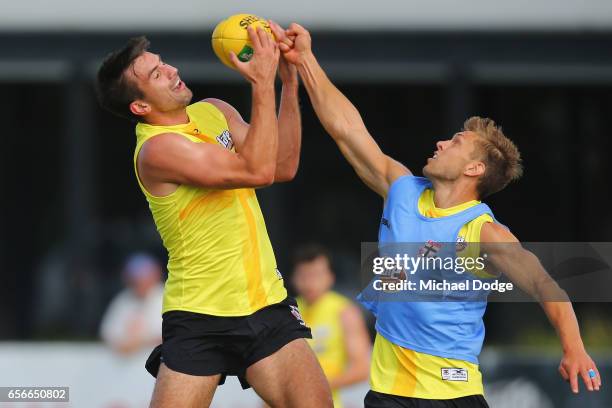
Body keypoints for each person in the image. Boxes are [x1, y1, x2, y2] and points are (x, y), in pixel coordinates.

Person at [268, 21, 602, 408]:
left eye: (456, 142)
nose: (442, 142)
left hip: (451, 393)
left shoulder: (484, 232)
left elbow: (546, 285)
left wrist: (574, 348)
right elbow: (346, 129)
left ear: (474, 169)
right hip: (389, 393)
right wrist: (305, 60)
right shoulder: (402, 190)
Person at [95, 27, 332, 408]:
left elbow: (281, 165)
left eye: (162, 63)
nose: (171, 70)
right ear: (140, 107)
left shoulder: (214, 111)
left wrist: (287, 81)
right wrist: (261, 82)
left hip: (265, 304)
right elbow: (255, 172)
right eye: (156, 74)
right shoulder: (157, 151)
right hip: (200, 315)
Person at [292, 244, 371, 408]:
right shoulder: (287, 312)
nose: (310, 282)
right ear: (294, 278)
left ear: (330, 277)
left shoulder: (345, 312)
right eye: (304, 275)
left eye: (316, 275)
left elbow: (362, 368)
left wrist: (313, 386)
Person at [100, 253, 164, 355]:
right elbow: (108, 334)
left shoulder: (167, 297)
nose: (140, 282)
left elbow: (171, 335)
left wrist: (139, 343)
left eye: (144, 277)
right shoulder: (122, 300)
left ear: (156, 275)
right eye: (136, 278)